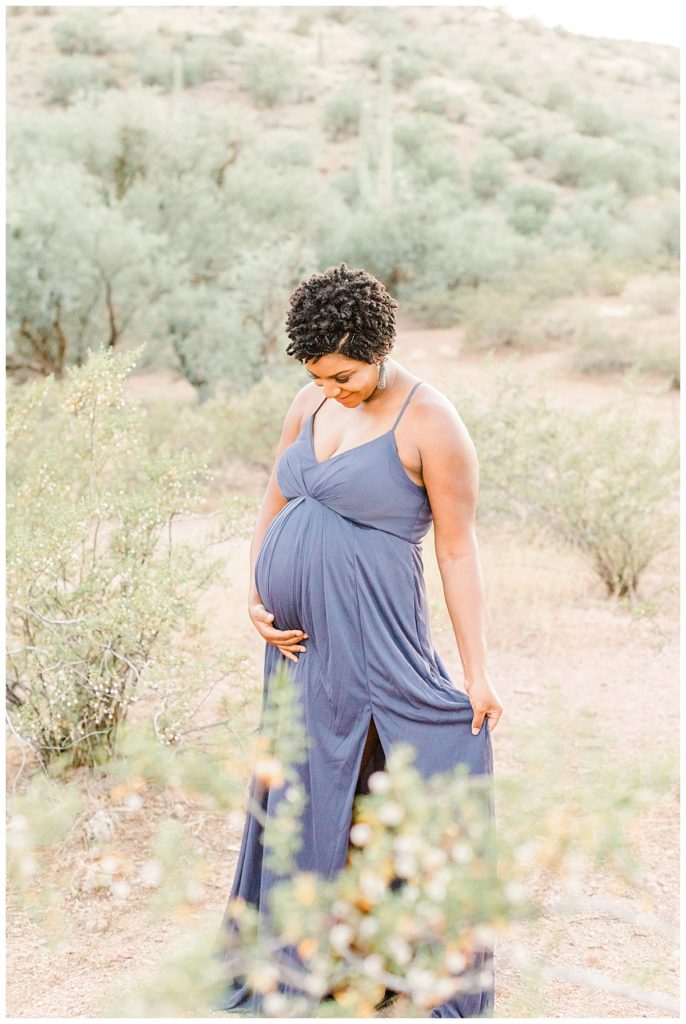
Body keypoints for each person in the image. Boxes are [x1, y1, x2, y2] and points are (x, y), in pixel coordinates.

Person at [212, 262, 504, 1017]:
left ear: (376, 345)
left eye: (342, 375)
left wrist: (477, 672)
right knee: (304, 788)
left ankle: (408, 963)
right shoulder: (309, 402)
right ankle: (302, 959)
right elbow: (273, 500)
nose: (331, 390)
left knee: (393, 775)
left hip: (377, 636)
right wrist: (254, 591)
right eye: (318, 376)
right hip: (298, 649)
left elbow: (457, 550)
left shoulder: (431, 422)